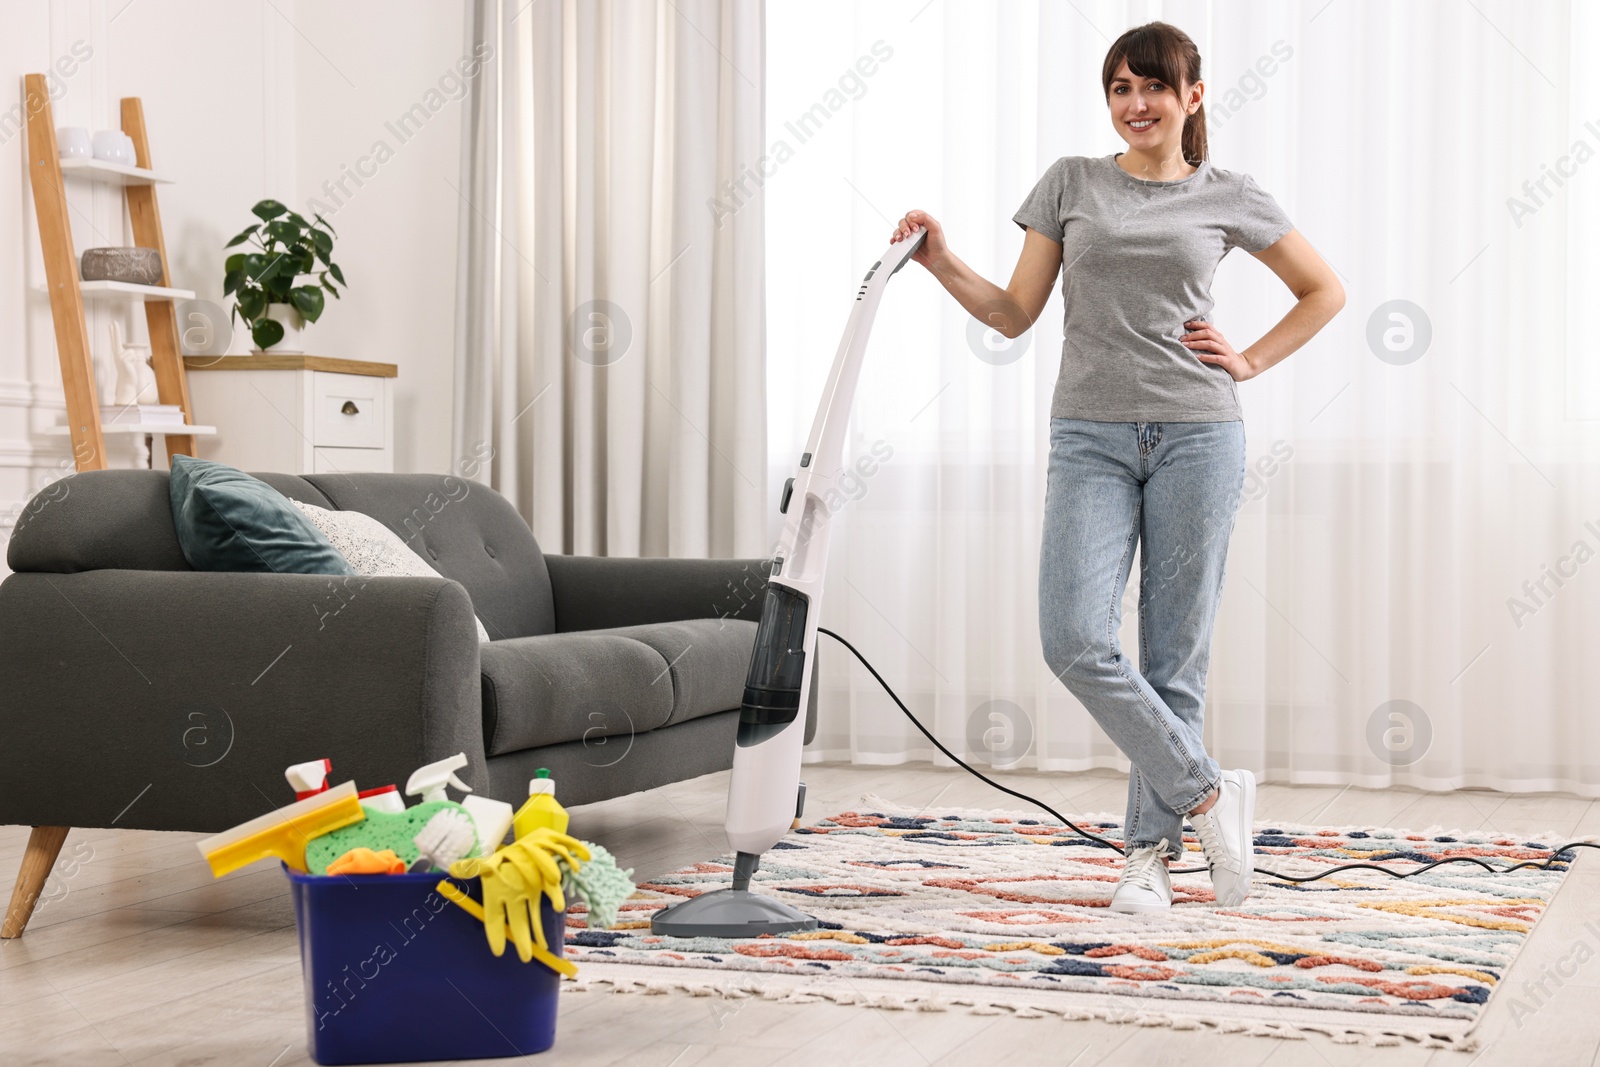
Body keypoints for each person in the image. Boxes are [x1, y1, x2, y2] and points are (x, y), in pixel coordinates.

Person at [888, 21, 1344, 913]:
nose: (1136, 105)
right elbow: (1017, 312)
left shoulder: (1230, 194)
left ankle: (1148, 855)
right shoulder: (1072, 182)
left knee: (1175, 655)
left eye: (1154, 88)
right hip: (1089, 436)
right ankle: (1210, 792)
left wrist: (1248, 359)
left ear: (1193, 97)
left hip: (1199, 434)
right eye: (1121, 90)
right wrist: (941, 261)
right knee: (1074, 639)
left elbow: (1323, 290)